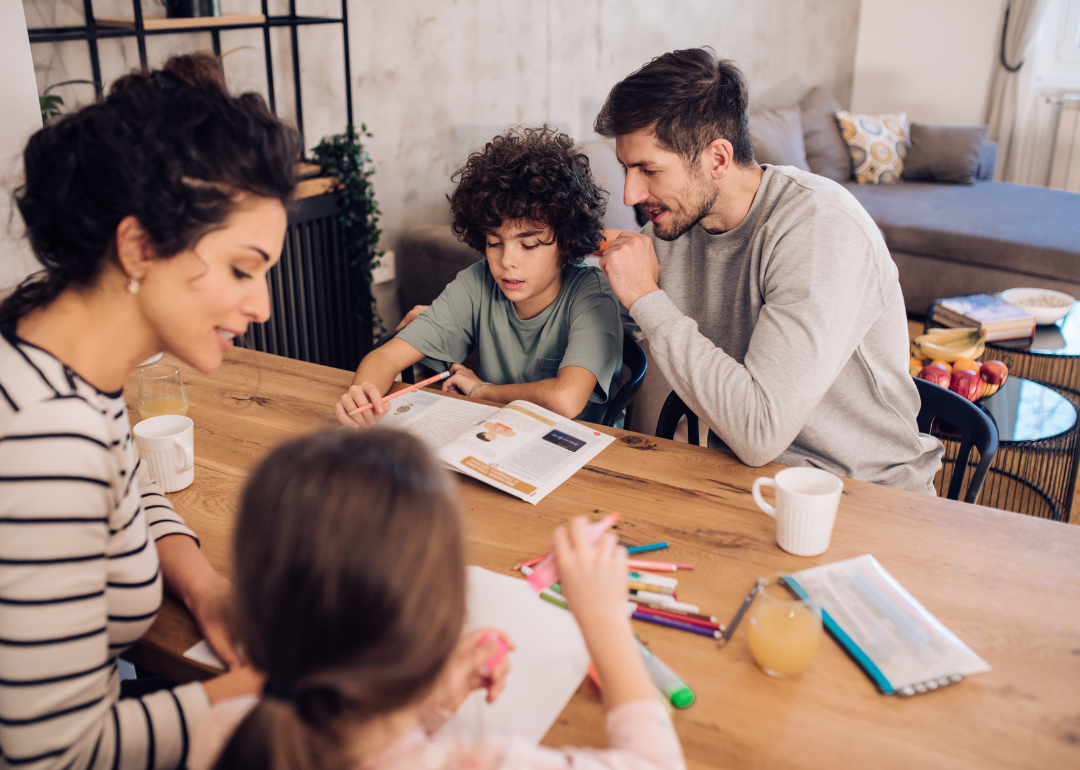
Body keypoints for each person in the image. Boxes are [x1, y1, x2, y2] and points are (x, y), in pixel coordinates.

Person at [0, 53, 299, 770]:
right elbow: (57, 756)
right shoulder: (45, 435)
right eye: (240, 268)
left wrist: (204, 587)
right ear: (137, 246)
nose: (261, 307)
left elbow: (131, 489)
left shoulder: (56, 355)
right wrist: (288, 690)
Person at [186, 428, 685, 770]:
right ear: (440, 624)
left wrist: (428, 708)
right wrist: (604, 622)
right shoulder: (478, 761)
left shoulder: (224, 729)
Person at [593, 49, 942, 494]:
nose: (629, 194)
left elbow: (759, 432)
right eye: (627, 168)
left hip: (863, 493)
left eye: (649, 170)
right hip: (747, 482)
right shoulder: (676, 224)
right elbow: (611, 319)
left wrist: (645, 297)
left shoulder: (819, 228)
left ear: (717, 159)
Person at [336, 126, 623, 427]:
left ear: (566, 242)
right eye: (494, 242)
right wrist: (362, 394)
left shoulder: (592, 294)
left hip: (584, 450)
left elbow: (566, 399)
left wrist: (485, 391)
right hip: (502, 437)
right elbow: (386, 357)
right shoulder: (478, 282)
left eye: (528, 245)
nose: (506, 262)